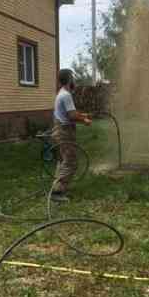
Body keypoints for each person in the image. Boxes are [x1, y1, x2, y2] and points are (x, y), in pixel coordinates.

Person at [51, 69, 92, 202]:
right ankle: (57, 192)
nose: (74, 80)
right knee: (71, 163)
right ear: (69, 80)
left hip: (60, 130)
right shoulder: (66, 95)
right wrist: (84, 120)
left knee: (63, 161)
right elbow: (72, 115)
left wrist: (83, 115)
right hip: (64, 132)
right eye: (73, 78)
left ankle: (58, 186)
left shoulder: (61, 94)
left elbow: (71, 112)